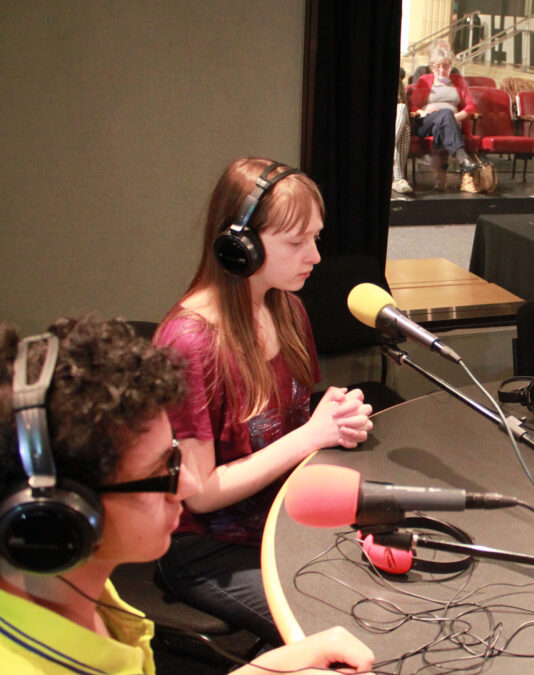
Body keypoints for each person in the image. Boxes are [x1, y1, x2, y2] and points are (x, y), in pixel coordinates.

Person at [0, 317, 374, 674]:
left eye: (175, 456)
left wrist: (269, 670)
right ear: (62, 516)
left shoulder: (67, 588)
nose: (186, 485)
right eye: (158, 472)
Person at [153, 157, 374, 646]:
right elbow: (201, 492)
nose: (315, 256)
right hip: (203, 546)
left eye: (315, 237)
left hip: (281, 521)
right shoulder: (189, 343)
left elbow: (290, 421)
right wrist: (309, 436)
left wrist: (334, 420)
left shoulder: (287, 307)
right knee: (336, 632)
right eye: (296, 243)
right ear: (240, 248)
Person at [409, 45, 478, 190]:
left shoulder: (458, 81)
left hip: (451, 123)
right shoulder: (424, 80)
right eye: (438, 66)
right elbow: (413, 106)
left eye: (446, 66)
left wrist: (456, 117)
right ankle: (461, 157)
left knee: (444, 122)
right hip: (426, 123)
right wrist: (423, 112)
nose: (442, 70)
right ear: (432, 66)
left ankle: (441, 177)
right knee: (445, 114)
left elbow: (471, 106)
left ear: (451, 66)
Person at [392, 67, 413, 194]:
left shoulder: (401, 99)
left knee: (401, 109)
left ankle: (398, 180)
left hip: (398, 127)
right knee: (402, 128)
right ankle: (398, 179)